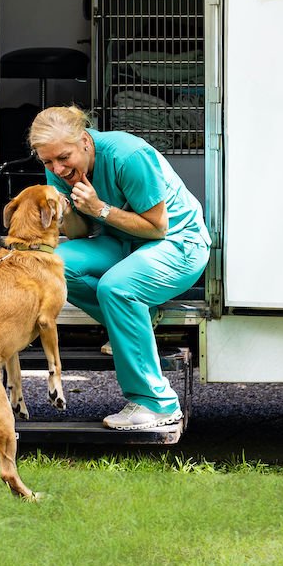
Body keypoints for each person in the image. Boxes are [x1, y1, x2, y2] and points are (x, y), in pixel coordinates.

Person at [29, 105, 210, 430]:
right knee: (54, 265)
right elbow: (79, 234)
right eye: (48, 162)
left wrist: (98, 208)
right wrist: (69, 209)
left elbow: (158, 227)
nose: (57, 168)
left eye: (63, 158)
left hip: (180, 244)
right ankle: (140, 319)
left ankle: (157, 403)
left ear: (85, 141)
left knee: (118, 287)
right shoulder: (58, 169)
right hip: (124, 241)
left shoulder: (128, 155)